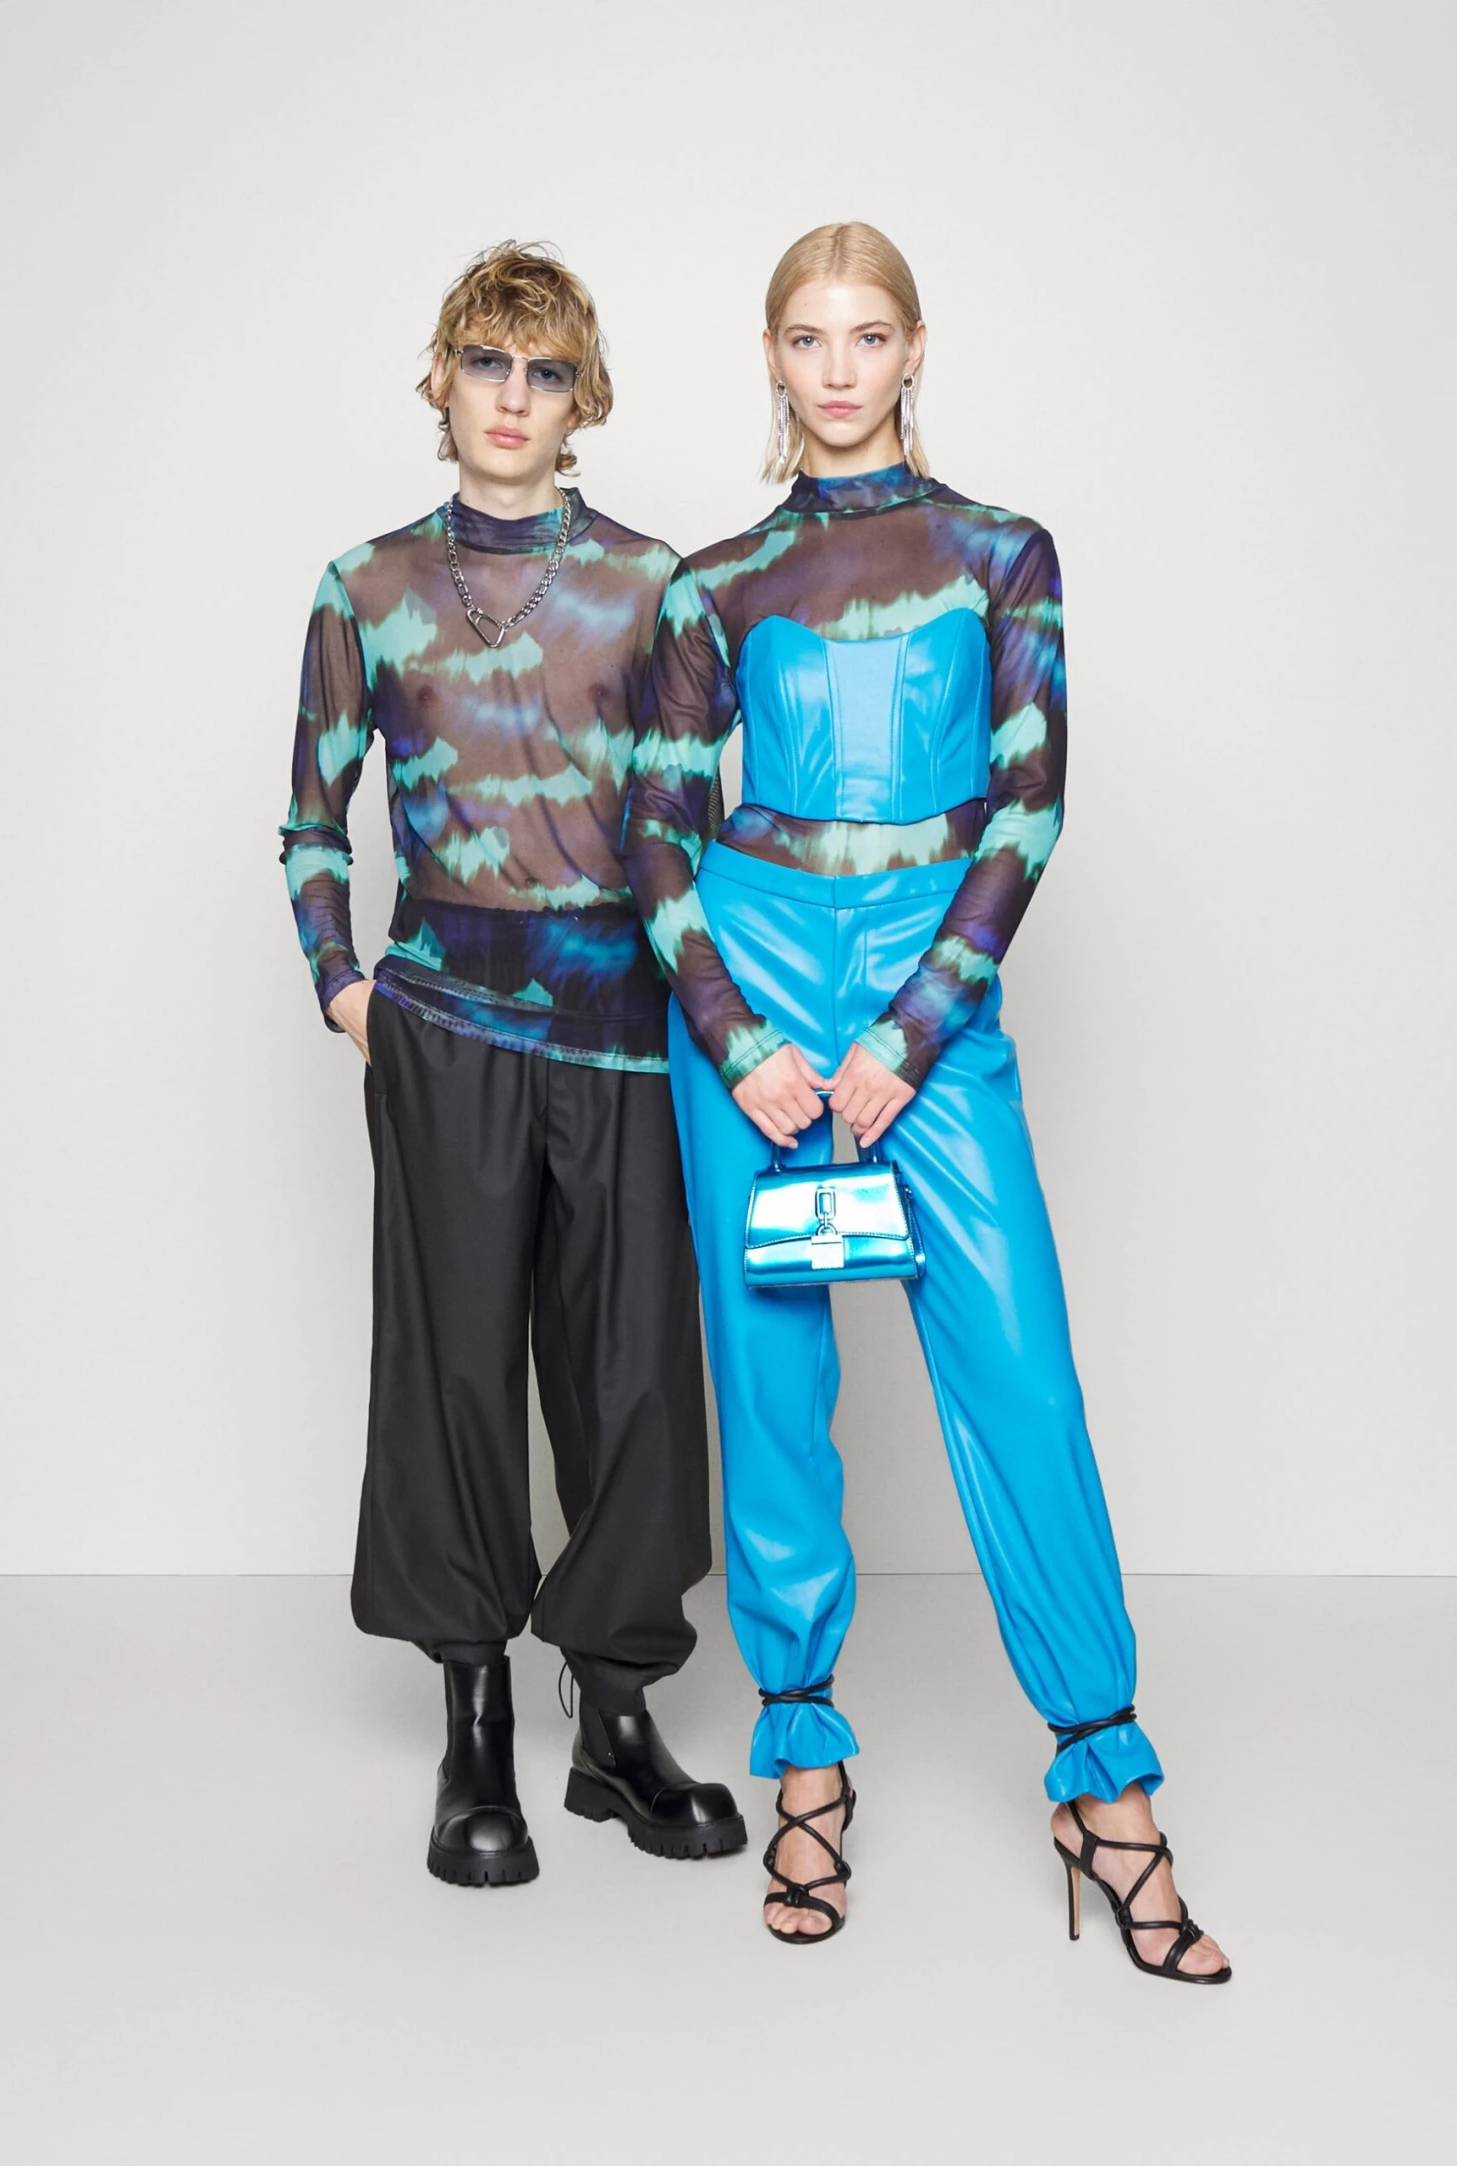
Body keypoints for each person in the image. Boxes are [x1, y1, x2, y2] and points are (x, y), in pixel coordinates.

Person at [623, 221, 1229, 1976]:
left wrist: (911, 1032)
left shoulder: (1000, 553)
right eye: (808, 338)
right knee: (772, 1378)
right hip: (752, 983)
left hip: (929, 987)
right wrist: (739, 1035)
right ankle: (805, 1756)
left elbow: (1029, 807)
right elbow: (656, 831)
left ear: (913, 349)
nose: (838, 368)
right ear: (771, 355)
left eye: (868, 335)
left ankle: (1105, 1779)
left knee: (1020, 1371)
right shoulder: (716, 582)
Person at [280, 240, 745, 1888]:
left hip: (625, 1031)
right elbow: (311, 819)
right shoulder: (367, 587)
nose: (513, 397)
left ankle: (615, 1712)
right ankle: (472, 1714)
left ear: (582, 398)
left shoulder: (653, 585)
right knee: (455, 1365)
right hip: (448, 1025)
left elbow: (692, 831)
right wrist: (346, 989)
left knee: (632, 1375)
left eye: (546, 373)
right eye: (488, 363)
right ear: (442, 379)